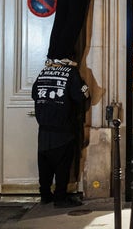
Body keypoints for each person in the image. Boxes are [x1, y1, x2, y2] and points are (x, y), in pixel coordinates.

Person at [32, 62, 90, 208]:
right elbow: (81, 95)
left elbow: (34, 94)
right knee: (62, 166)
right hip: (63, 128)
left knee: (44, 164)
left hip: (44, 129)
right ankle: (60, 197)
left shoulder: (44, 71)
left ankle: (45, 195)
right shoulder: (71, 73)